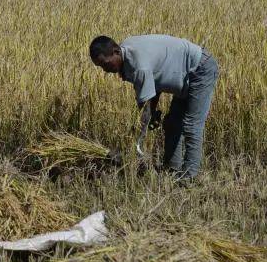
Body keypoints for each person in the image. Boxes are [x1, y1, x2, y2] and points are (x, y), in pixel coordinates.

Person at [89, 34, 218, 181]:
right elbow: (153, 83)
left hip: (199, 69)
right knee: (172, 123)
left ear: (116, 52)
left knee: (192, 125)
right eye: (100, 67)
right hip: (184, 73)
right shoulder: (127, 52)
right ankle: (172, 171)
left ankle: (189, 178)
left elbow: (145, 106)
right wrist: (151, 113)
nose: (105, 70)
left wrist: (136, 138)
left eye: (105, 64)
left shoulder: (138, 66)